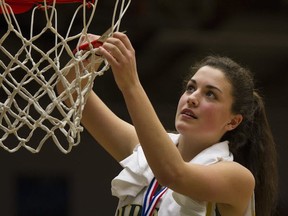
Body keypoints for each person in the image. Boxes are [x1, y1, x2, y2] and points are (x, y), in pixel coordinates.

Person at [58, 32, 278, 216]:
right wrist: (91, 56)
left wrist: (131, 84)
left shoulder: (237, 178)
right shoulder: (145, 152)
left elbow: (173, 173)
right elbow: (71, 93)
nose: (192, 97)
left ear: (233, 121)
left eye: (210, 94)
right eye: (191, 88)